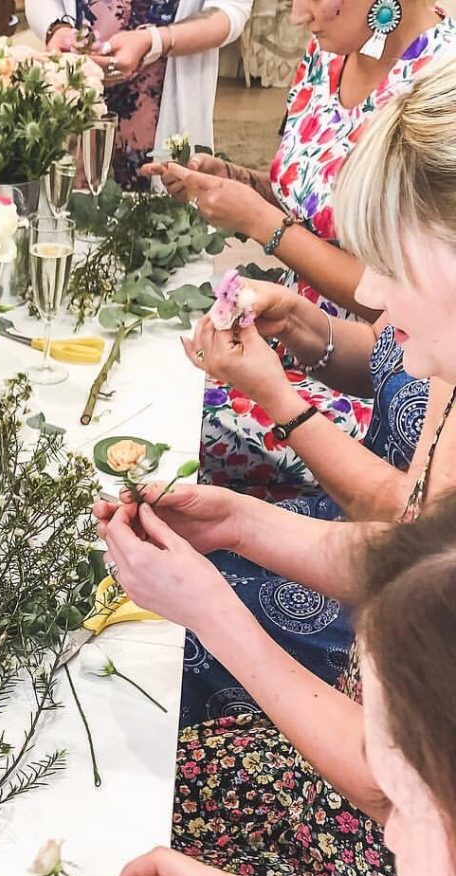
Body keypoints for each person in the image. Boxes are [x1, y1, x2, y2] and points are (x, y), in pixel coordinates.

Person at [95, 53, 456, 876]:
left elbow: (396, 790)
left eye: (392, 258)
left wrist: (215, 611)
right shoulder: (443, 362)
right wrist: (244, 524)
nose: (367, 290)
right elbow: (411, 549)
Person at [106, 494, 456, 876]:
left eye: (408, 797)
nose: (393, 830)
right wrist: (239, 523)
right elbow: (425, 559)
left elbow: (378, 796)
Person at [145, 0, 455, 498]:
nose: (295, 14)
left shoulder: (441, 83)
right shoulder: (329, 48)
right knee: (160, 378)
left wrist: (259, 221)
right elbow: (307, 195)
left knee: (169, 427)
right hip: (312, 339)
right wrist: (240, 182)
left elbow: (389, 300)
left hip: (375, 388)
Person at [173, 276, 426, 723]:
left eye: (390, 263)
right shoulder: (433, 305)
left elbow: (417, 533)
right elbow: (379, 348)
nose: (365, 293)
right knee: (161, 566)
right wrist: (293, 319)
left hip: (395, 612)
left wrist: (278, 398)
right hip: (350, 529)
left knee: (171, 632)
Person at [26, 0, 251, 187]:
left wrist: (155, 41)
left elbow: (230, 10)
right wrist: (57, 29)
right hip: (72, 98)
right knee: (69, 215)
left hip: (160, 107)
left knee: (154, 224)